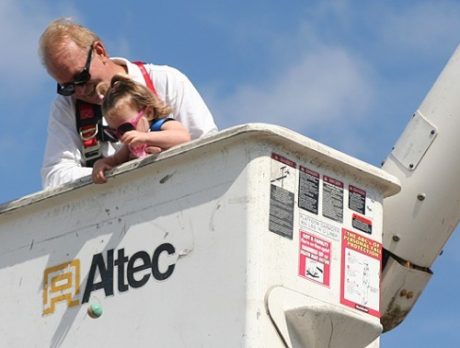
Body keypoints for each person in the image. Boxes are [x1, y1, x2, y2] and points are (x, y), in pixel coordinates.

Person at [38, 18, 217, 188]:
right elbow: (54, 176)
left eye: (81, 77)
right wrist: (110, 171)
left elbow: (210, 146)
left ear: (100, 51)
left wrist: (163, 157)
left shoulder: (165, 80)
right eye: (68, 87)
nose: (80, 91)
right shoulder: (66, 106)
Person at [92, 75, 190, 184]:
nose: (122, 136)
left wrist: (146, 138)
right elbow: (115, 160)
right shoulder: (130, 145)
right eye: (115, 132)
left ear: (148, 113)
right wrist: (99, 164)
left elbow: (183, 137)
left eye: (126, 127)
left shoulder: (160, 126)